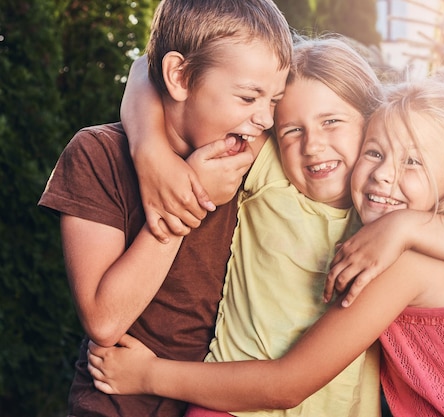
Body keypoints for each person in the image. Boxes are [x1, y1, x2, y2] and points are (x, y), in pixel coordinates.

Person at [89, 41, 444, 416]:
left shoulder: (409, 250)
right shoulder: (299, 178)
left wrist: (148, 375)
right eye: (377, 153)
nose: (385, 174)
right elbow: (152, 65)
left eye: (412, 162)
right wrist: (148, 147)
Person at [37, 0, 292, 415]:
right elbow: (103, 320)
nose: (265, 118)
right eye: (248, 97)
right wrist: (181, 210)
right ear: (178, 76)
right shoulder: (97, 154)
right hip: (115, 401)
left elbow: (144, 67)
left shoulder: (255, 156)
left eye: (274, 101)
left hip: (216, 403)